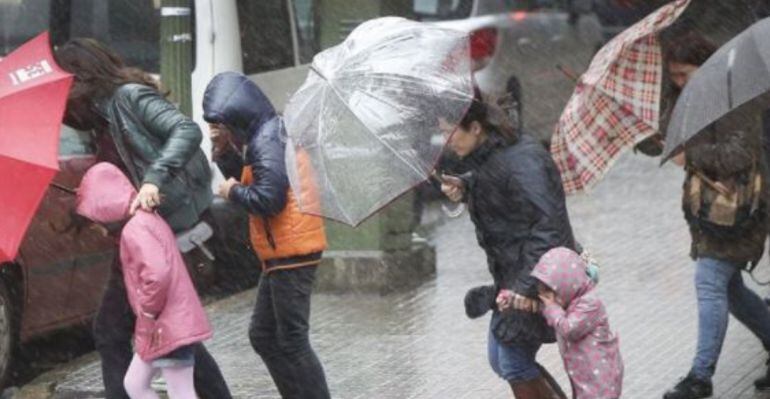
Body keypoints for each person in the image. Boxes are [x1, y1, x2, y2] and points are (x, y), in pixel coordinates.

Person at [55, 38, 231, 399]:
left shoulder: (129, 98)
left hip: (170, 230)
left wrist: (154, 179)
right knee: (162, 332)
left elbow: (186, 130)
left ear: (80, 79)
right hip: (144, 233)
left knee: (121, 329)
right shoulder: (102, 119)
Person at [202, 71, 330, 398]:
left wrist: (232, 193)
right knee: (264, 336)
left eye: (223, 124)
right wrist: (225, 151)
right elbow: (254, 177)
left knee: (292, 339)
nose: (222, 129)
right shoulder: (264, 135)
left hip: (292, 250)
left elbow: (268, 199)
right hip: (282, 251)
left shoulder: (268, 139)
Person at [440, 88, 575, 398]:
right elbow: (499, 183)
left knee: (512, 362)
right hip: (513, 275)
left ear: (475, 128)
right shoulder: (494, 154)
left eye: (450, 132)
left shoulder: (522, 160)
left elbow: (548, 226)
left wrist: (526, 289)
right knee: (501, 359)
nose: (447, 141)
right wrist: (466, 185)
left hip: (535, 277)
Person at [662, 33, 770, 399]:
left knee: (709, 283)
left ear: (704, 66)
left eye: (683, 74)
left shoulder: (735, 98)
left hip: (742, 213)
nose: (678, 82)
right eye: (673, 76)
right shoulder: (690, 100)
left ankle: (700, 376)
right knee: (733, 291)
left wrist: (692, 157)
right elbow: (667, 142)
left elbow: (738, 154)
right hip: (710, 215)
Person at [76, 162, 211, 399]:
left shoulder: (135, 228)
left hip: (165, 324)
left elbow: (157, 275)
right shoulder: (144, 219)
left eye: (95, 221)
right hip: (164, 324)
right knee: (135, 384)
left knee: (181, 391)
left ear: (105, 210)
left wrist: (148, 312)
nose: (96, 228)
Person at [532, 247, 623, 399]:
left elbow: (569, 329)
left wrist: (552, 307)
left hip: (600, 379)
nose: (550, 301)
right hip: (584, 377)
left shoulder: (590, 304)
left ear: (566, 286)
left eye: (552, 295)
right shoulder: (570, 300)